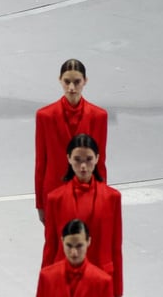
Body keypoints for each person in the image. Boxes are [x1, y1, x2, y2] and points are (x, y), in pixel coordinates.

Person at [43, 134, 122, 297]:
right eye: (78, 159)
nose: (83, 166)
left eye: (89, 159)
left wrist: (118, 290)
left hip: (100, 280)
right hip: (64, 280)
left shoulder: (112, 197)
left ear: (97, 158)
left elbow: (115, 247)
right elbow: (50, 247)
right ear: (69, 159)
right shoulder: (55, 199)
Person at [35, 59, 108, 222]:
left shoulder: (99, 117)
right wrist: (40, 203)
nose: (72, 88)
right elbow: (41, 162)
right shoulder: (44, 116)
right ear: (60, 80)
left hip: (87, 194)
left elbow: (100, 161)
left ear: (85, 81)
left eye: (77, 82)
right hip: (54, 192)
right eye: (67, 82)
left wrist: (102, 198)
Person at [36, 219, 113, 297]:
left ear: (88, 241)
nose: (74, 253)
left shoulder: (103, 282)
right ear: (62, 241)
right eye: (69, 246)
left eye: (79, 246)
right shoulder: (46, 277)